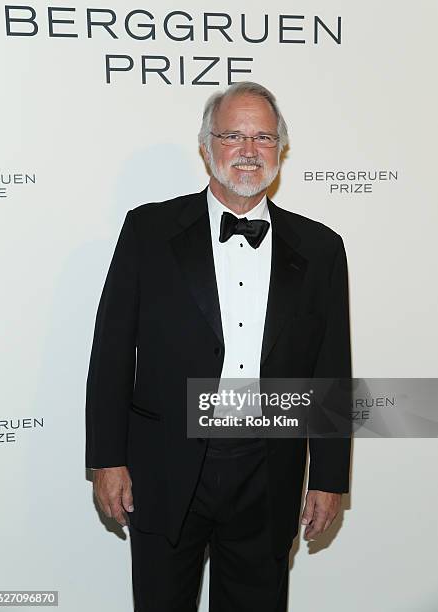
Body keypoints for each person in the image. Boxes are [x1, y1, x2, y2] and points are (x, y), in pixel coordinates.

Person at [85, 81, 352, 611]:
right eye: (233, 136)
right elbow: (112, 352)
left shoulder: (322, 247)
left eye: (264, 138)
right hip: (164, 464)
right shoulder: (148, 230)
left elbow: (331, 368)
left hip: (268, 466)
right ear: (206, 146)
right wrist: (106, 459)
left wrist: (327, 477)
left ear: (282, 150)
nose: (249, 151)